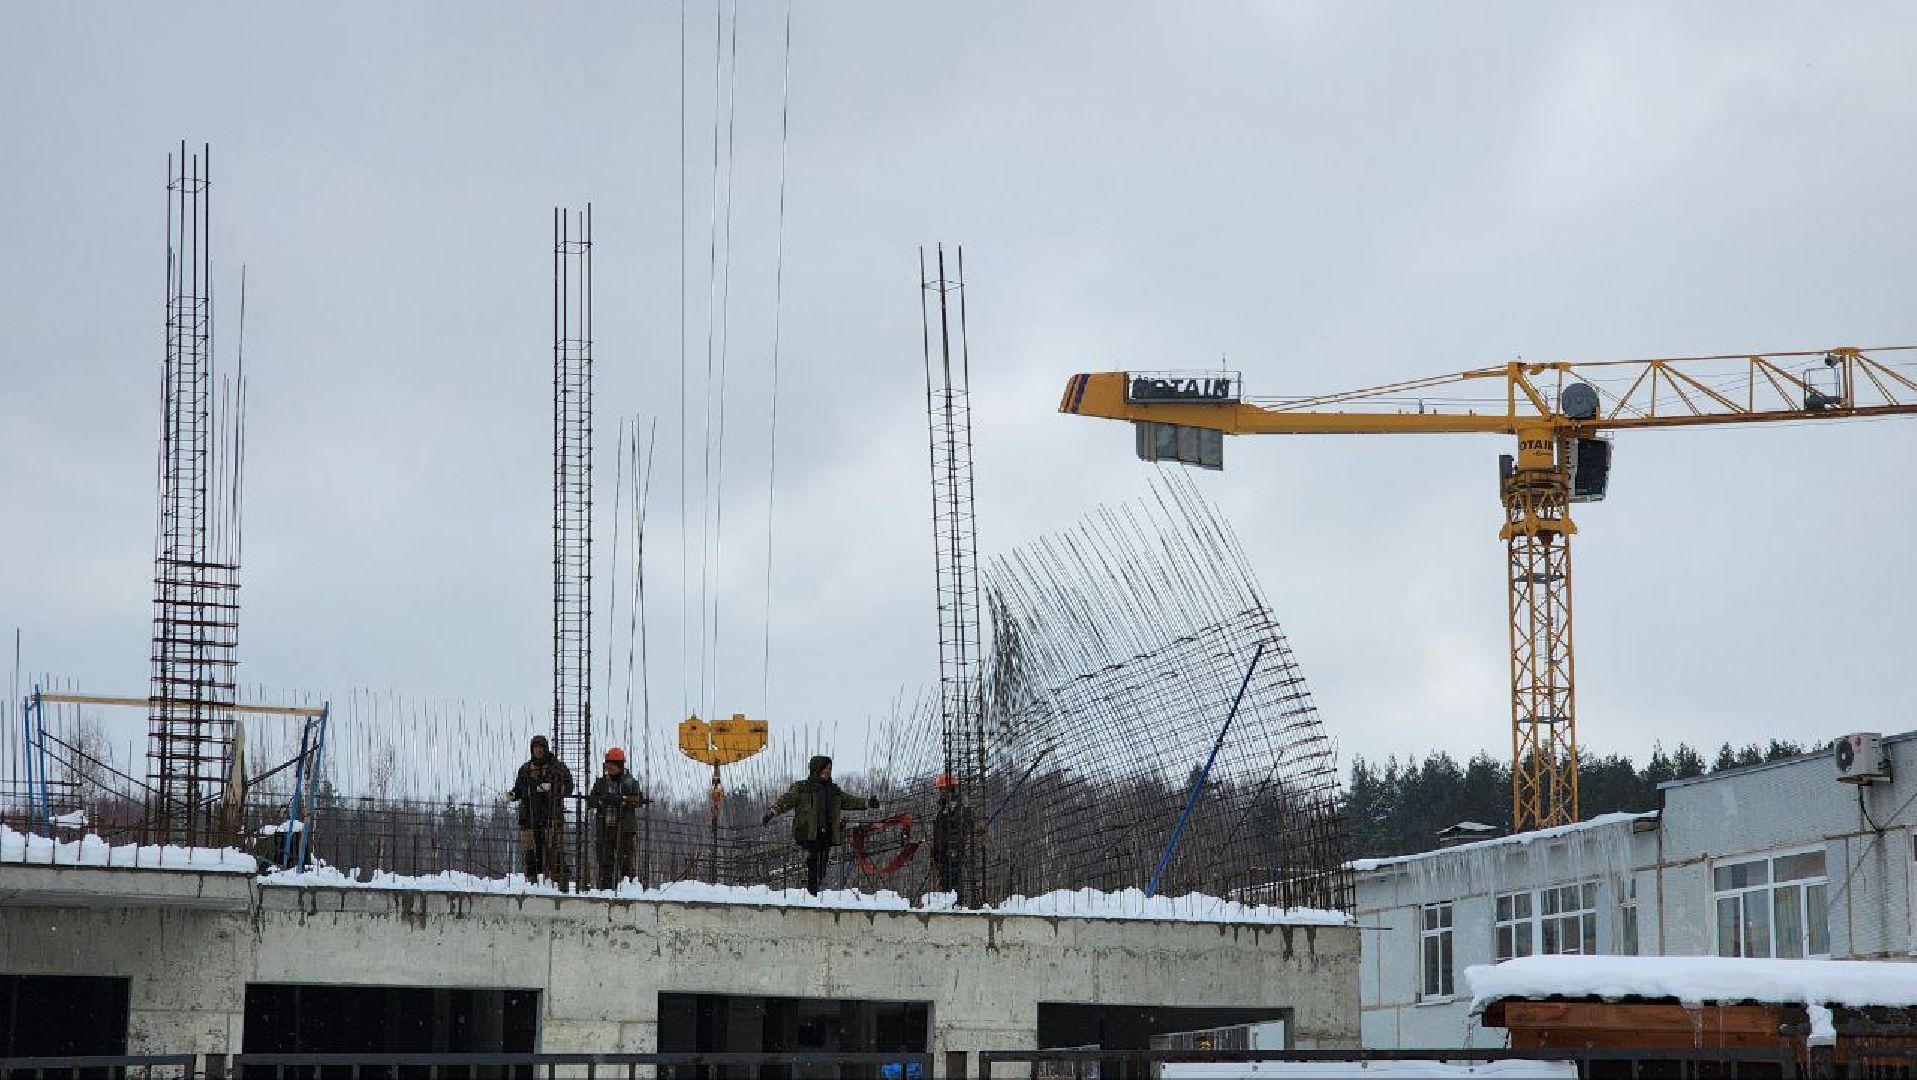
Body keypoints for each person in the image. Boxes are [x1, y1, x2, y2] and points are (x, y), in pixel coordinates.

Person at [763, 755, 876, 895]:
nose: (829, 771)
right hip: (808, 833)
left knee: (821, 867)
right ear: (819, 769)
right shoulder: (803, 788)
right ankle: (812, 891)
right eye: (827, 768)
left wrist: (867, 803)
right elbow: (786, 801)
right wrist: (772, 812)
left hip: (827, 834)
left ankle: (814, 889)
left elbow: (849, 801)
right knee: (814, 863)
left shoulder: (833, 790)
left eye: (830, 768)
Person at [507, 734, 574, 882]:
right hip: (528, 817)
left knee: (552, 850)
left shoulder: (556, 767)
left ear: (545, 749)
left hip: (549, 816)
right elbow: (519, 789)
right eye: (535, 748)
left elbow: (569, 787)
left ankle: (558, 879)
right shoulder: (525, 769)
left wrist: (552, 788)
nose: (538, 751)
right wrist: (512, 795)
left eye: (541, 747)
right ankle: (533, 880)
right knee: (529, 851)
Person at [586, 746, 649, 890]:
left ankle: (629, 888)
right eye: (607, 765)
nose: (608, 768)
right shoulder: (601, 783)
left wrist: (623, 800)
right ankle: (606, 888)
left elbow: (639, 800)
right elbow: (591, 801)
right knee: (605, 859)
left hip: (624, 829)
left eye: (611, 765)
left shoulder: (630, 782)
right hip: (605, 827)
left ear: (619, 766)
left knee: (626, 859)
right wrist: (602, 800)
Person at [929, 773, 970, 895]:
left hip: (951, 853)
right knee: (945, 884)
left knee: (952, 884)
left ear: (950, 789)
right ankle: (949, 903)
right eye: (940, 790)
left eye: (942, 789)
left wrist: (952, 848)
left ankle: (954, 906)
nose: (940, 792)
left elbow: (961, 828)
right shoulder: (943, 807)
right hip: (942, 854)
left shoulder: (958, 806)